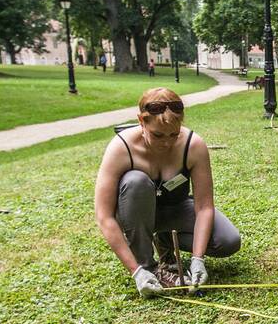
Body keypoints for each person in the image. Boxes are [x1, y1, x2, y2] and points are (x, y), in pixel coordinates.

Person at [94, 88, 241, 298]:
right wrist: (137, 272)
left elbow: (204, 207)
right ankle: (149, 267)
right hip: (135, 218)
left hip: (175, 210)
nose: (166, 142)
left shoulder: (193, 145)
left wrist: (198, 259)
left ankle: (164, 240)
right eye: (157, 135)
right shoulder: (121, 148)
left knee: (228, 241)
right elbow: (104, 216)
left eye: (174, 134)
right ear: (141, 122)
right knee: (136, 181)